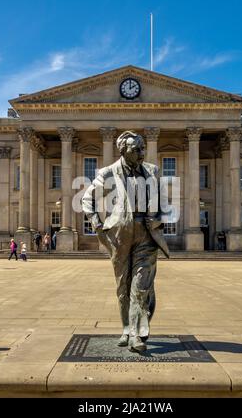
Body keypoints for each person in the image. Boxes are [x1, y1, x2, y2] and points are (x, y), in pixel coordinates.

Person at [82, 131, 169, 353]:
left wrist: (159, 219)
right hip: (119, 237)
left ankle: (137, 336)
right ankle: (127, 328)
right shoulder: (108, 172)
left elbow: (163, 202)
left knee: (140, 287)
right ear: (123, 150)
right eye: (136, 149)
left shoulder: (152, 171)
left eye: (142, 148)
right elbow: (86, 199)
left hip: (146, 236)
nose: (141, 153)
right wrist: (96, 223)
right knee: (123, 287)